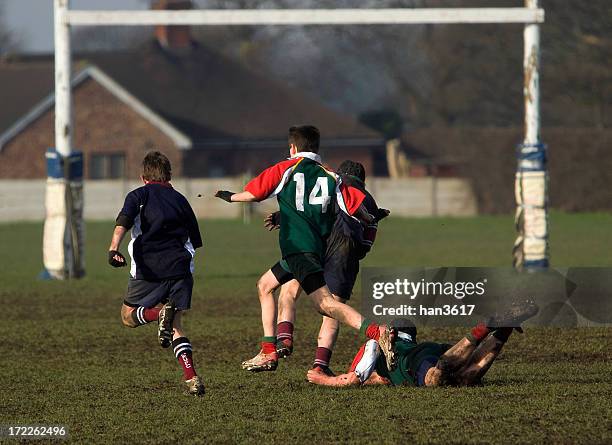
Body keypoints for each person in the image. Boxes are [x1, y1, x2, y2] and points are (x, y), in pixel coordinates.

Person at [214, 125, 395, 373]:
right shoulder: (332, 176)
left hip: (298, 250)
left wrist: (230, 196)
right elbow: (355, 208)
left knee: (326, 305)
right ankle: (270, 348)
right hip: (315, 250)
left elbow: (254, 194)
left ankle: (377, 331)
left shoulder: (286, 168)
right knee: (265, 285)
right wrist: (374, 215)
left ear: (293, 148)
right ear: (317, 148)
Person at [266, 160, 390, 376]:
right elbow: (366, 246)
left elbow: (304, 210)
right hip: (343, 256)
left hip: (315, 246)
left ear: (341, 174)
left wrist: (281, 217)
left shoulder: (331, 185)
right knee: (332, 312)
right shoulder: (369, 202)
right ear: (363, 180)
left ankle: (284, 337)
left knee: (288, 291)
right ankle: (320, 365)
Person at [108, 151, 205, 396]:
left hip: (149, 268)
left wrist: (113, 248)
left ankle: (155, 313)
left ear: (143, 177)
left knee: (128, 316)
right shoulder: (181, 199)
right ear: (169, 175)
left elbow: (124, 220)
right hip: (181, 268)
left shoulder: (138, 195)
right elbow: (195, 239)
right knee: (176, 324)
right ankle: (192, 378)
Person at [306, 300, 539, 388]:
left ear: (392, 333)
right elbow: (378, 379)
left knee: (435, 378)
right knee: (464, 378)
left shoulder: (376, 344)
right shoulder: (414, 347)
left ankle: (488, 326)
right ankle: (504, 329)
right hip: (435, 350)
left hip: (415, 363)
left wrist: (323, 378)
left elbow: (355, 378)